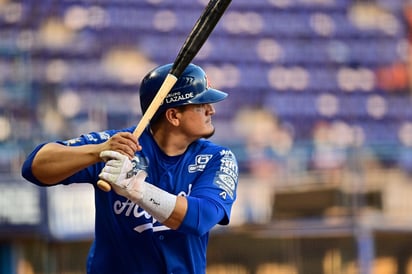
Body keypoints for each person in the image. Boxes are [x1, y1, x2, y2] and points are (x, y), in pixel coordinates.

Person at [21, 63, 239, 274]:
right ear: (173, 116)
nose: (211, 110)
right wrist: (97, 152)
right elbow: (34, 167)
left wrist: (138, 191)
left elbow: (200, 218)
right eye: (201, 104)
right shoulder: (118, 144)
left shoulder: (217, 158)